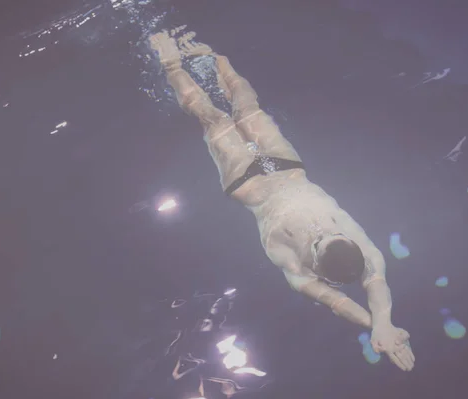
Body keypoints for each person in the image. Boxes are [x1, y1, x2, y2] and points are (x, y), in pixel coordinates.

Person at [149, 28, 415, 371]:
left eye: (319, 242)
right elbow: (376, 284)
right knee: (245, 106)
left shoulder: (298, 272)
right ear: (350, 241)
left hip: (249, 187)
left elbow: (336, 302)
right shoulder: (368, 256)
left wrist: (373, 328)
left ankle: (172, 64)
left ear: (317, 263)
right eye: (332, 233)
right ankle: (213, 57)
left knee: (214, 117)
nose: (320, 231)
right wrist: (383, 322)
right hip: (289, 169)